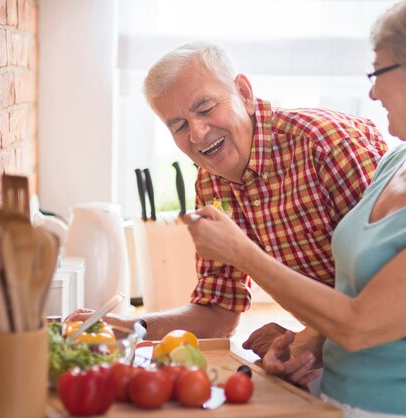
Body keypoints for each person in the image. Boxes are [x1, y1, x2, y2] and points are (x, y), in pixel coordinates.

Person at [184, 0, 406, 416]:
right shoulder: (394, 163)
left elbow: (359, 323)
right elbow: (354, 297)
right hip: (334, 400)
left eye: (380, 73)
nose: (372, 91)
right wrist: (305, 351)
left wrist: (240, 251)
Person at [66, 41, 387, 383]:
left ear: (244, 93)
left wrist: (310, 340)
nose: (198, 133)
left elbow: (389, 285)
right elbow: (219, 310)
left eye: (204, 108)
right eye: (178, 125)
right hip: (345, 355)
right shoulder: (210, 183)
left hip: (403, 353)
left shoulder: (327, 146)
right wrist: (135, 327)